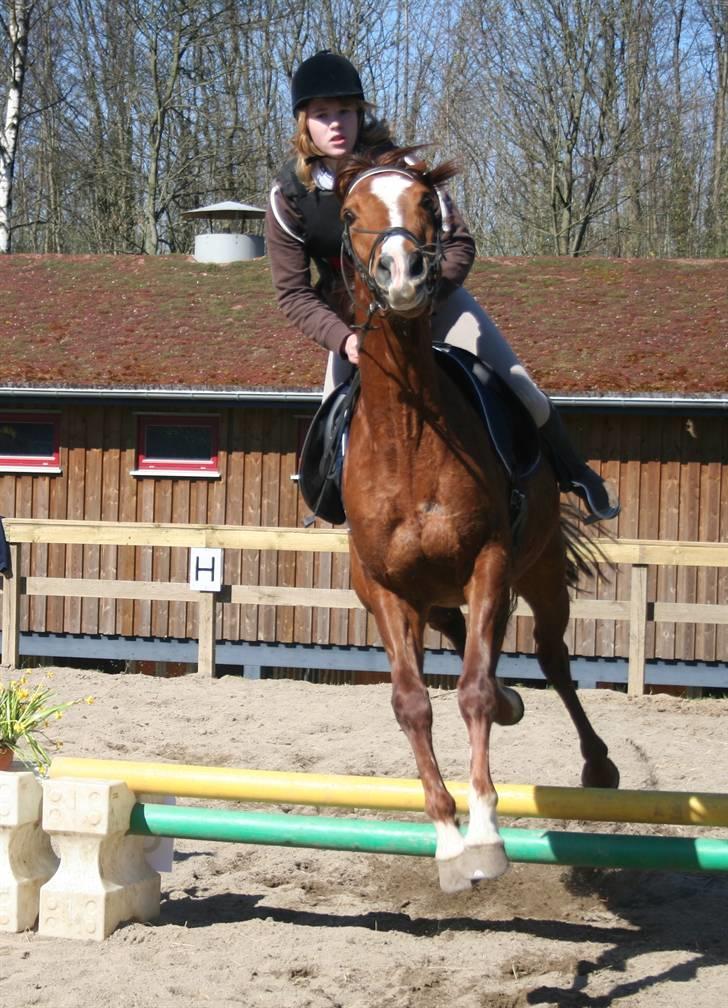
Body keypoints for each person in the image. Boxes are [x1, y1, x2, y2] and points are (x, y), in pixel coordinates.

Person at [265, 50, 619, 522]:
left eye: (344, 112)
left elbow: (460, 244)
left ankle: (576, 474)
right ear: (304, 124)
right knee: (332, 424)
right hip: (357, 324)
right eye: (322, 115)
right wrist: (343, 340)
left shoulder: (407, 168)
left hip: (436, 301)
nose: (336, 125)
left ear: (360, 114)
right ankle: (343, 513)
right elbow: (293, 292)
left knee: (520, 386)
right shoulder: (289, 196)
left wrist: (426, 300)